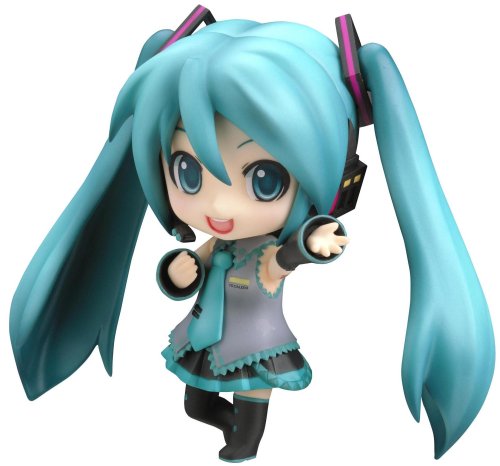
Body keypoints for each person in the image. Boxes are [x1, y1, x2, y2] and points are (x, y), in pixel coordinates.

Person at [10, 14, 494, 463]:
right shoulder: (219, 245)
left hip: (258, 346)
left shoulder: (264, 252)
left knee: (245, 428)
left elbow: (282, 261)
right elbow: (193, 269)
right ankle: (234, 432)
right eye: (188, 171)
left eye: (264, 179)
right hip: (205, 335)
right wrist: (179, 272)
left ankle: (245, 443)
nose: (220, 208)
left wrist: (310, 245)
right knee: (195, 406)